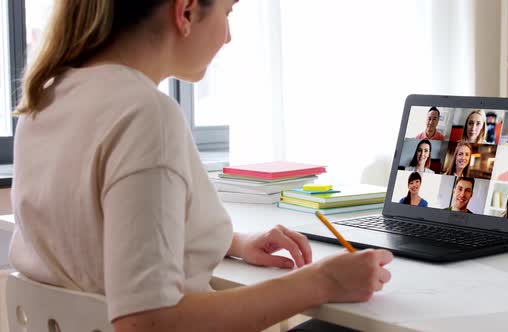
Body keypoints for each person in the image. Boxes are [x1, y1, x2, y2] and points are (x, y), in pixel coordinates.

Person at [9, 1, 394, 332]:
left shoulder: (45, 101)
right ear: (187, 11)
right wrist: (322, 281)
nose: (228, 36)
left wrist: (233, 243)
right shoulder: (145, 115)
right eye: (228, 12)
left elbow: (98, 232)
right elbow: (147, 322)